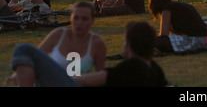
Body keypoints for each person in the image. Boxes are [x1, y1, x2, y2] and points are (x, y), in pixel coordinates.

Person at [6, 21, 168, 87]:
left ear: (130, 44)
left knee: (24, 49)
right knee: (73, 56)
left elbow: (88, 80)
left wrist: (58, 73)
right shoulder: (154, 69)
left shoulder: (134, 66)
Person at [39, 1, 106, 74]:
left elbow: (100, 75)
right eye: (76, 18)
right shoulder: (59, 34)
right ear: (71, 18)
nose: (79, 23)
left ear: (92, 21)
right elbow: (35, 57)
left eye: (84, 19)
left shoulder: (96, 43)